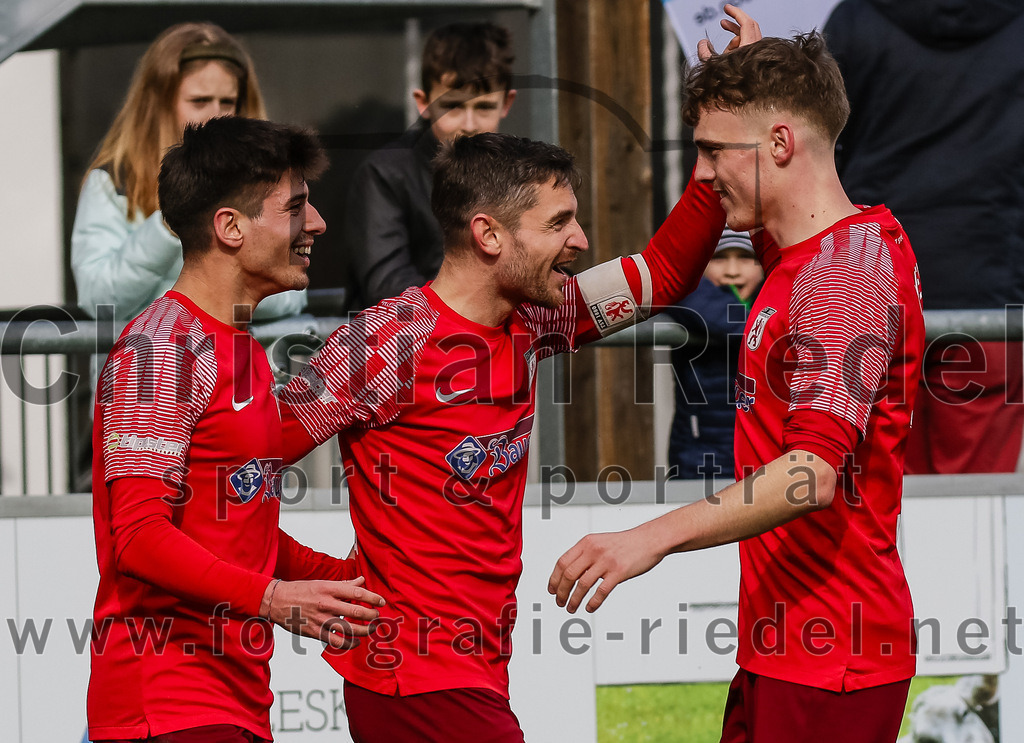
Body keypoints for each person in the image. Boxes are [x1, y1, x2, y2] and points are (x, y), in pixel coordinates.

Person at [275, 117, 743, 738]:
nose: (579, 238)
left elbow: (659, 274)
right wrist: (310, 582)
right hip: (414, 677)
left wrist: (720, 146)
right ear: (488, 234)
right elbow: (234, 468)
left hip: (472, 671)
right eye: (557, 223)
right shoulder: (386, 344)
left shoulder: (532, 321)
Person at [548, 17, 925, 743]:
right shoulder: (804, 248)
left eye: (713, 152)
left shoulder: (842, 274)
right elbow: (668, 266)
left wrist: (647, 538)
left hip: (832, 658)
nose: (705, 171)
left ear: (780, 143)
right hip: (790, 646)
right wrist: (740, 75)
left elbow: (810, 473)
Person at [88, 117, 384, 743]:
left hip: (227, 705)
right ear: (229, 227)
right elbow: (137, 539)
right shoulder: (159, 348)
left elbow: (236, 533)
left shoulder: (238, 347)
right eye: (296, 207)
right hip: (163, 708)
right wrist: (276, 599)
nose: (317, 224)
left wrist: (357, 582)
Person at [823, 0, 1024, 474]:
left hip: (875, 289)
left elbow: (817, 146)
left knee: (879, 499)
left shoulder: (856, 18)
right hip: (990, 292)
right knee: (978, 515)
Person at [71, 21, 307, 325]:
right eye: (199, 101)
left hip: (237, 367)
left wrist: (213, 295)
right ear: (159, 105)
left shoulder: (265, 179)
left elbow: (293, 292)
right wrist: (171, 223)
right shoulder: (115, 181)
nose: (216, 115)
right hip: (151, 367)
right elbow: (98, 297)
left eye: (228, 101)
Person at [343, 21, 517, 308]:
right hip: (399, 347)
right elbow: (386, 285)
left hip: (490, 345)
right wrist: (484, 309)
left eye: (484, 107)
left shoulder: (519, 174)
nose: (470, 124)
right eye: (453, 106)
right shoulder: (385, 174)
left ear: (507, 103)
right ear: (423, 103)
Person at [664, 229, 763, 479]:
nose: (732, 270)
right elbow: (721, 316)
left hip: (764, 459)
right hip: (702, 461)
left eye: (745, 257)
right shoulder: (690, 295)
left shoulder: (778, 295)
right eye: (718, 258)